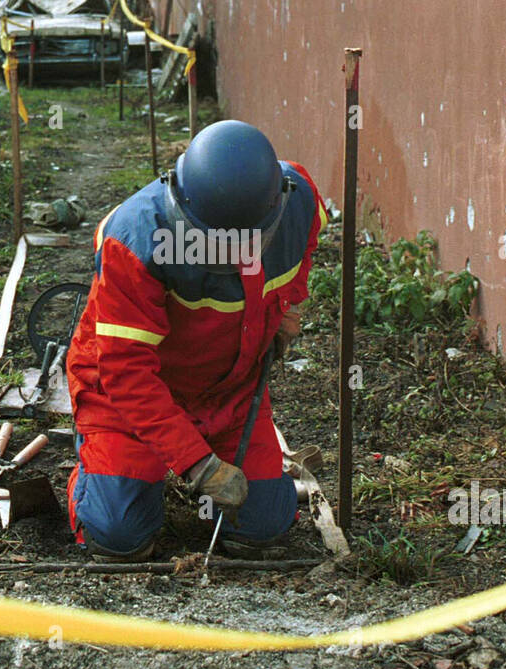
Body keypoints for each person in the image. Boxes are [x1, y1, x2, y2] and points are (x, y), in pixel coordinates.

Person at [65, 119, 327, 561]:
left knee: (263, 529)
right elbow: (126, 373)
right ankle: (97, 481)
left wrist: (288, 308)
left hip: (230, 393)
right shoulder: (134, 241)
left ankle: (207, 496)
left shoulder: (297, 200)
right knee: (119, 536)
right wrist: (200, 466)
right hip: (127, 398)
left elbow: (304, 250)